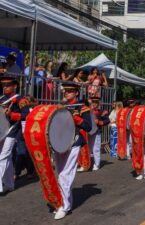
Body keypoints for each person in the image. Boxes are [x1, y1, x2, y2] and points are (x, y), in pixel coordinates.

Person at [53, 83, 92, 220]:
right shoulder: (59, 107)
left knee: (65, 174)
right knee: (60, 174)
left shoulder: (82, 108)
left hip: (74, 142)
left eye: (70, 91)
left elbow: (88, 127)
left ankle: (64, 206)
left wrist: (76, 119)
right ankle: (64, 202)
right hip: (59, 143)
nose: (67, 93)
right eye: (66, 91)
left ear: (76, 93)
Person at [0, 76, 29, 194]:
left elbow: (26, 115)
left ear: (15, 86)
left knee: (3, 156)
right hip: (2, 131)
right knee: (7, 159)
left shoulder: (21, 99)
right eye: (3, 85)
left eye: (8, 85)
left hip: (13, 130)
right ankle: (9, 184)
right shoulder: (2, 99)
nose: (5, 87)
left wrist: (12, 115)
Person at [82, 96, 109, 171]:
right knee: (87, 148)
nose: (94, 104)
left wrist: (100, 122)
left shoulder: (102, 112)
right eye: (93, 102)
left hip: (97, 132)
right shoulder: (86, 111)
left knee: (96, 148)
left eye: (96, 102)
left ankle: (97, 164)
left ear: (99, 103)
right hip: (87, 132)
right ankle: (86, 163)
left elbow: (107, 120)